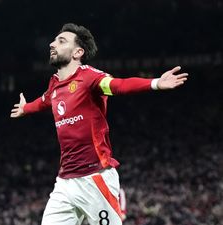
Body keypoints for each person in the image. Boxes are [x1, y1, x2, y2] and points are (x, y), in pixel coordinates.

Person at [10, 23, 188, 225]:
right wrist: (26, 108)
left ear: (78, 52)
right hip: (65, 182)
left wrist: (155, 83)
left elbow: (118, 85)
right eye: (54, 40)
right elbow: (45, 101)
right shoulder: (55, 85)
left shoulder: (90, 78)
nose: (52, 44)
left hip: (95, 178)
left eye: (61, 41)